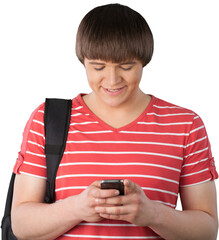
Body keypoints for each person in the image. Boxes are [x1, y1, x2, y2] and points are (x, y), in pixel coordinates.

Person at [11, 3, 218, 240]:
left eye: (126, 66)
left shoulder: (186, 125)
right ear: (83, 61)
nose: (112, 80)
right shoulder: (47, 121)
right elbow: (21, 225)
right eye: (98, 66)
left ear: (144, 61)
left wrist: (152, 214)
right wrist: (77, 208)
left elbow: (207, 230)